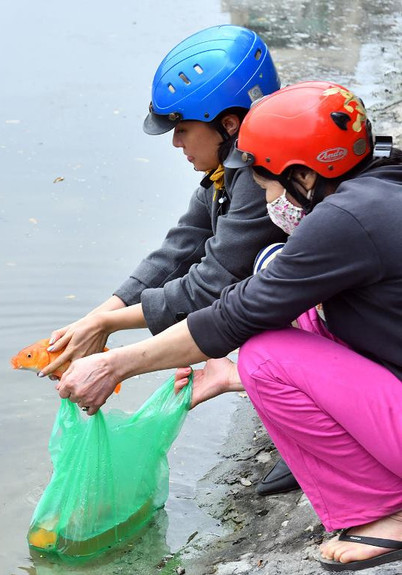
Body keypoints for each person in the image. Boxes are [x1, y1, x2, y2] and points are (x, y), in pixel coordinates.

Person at [54, 80, 402, 572]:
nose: (269, 199)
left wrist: (115, 365)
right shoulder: (382, 181)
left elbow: (232, 315)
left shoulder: (345, 219)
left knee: (264, 356)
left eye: (268, 185)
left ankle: (387, 511)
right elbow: (210, 268)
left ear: (304, 174)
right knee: (277, 279)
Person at [39, 24, 293, 494]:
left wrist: (111, 332)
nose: (176, 143)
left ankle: (320, 431)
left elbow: (210, 284)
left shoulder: (263, 180)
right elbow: (181, 245)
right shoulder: (229, 170)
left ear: (229, 124)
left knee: (258, 292)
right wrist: (98, 317)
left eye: (182, 130)